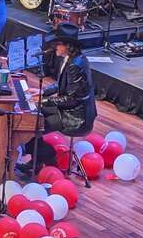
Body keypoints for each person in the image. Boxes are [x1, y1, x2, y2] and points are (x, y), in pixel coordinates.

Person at [20, 23, 97, 171]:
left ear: (67, 46)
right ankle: (37, 162)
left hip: (75, 116)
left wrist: (44, 101)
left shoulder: (76, 65)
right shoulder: (69, 59)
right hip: (69, 108)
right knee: (34, 117)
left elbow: (73, 98)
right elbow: (61, 84)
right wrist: (43, 92)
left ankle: (48, 157)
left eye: (58, 44)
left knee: (33, 124)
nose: (55, 46)